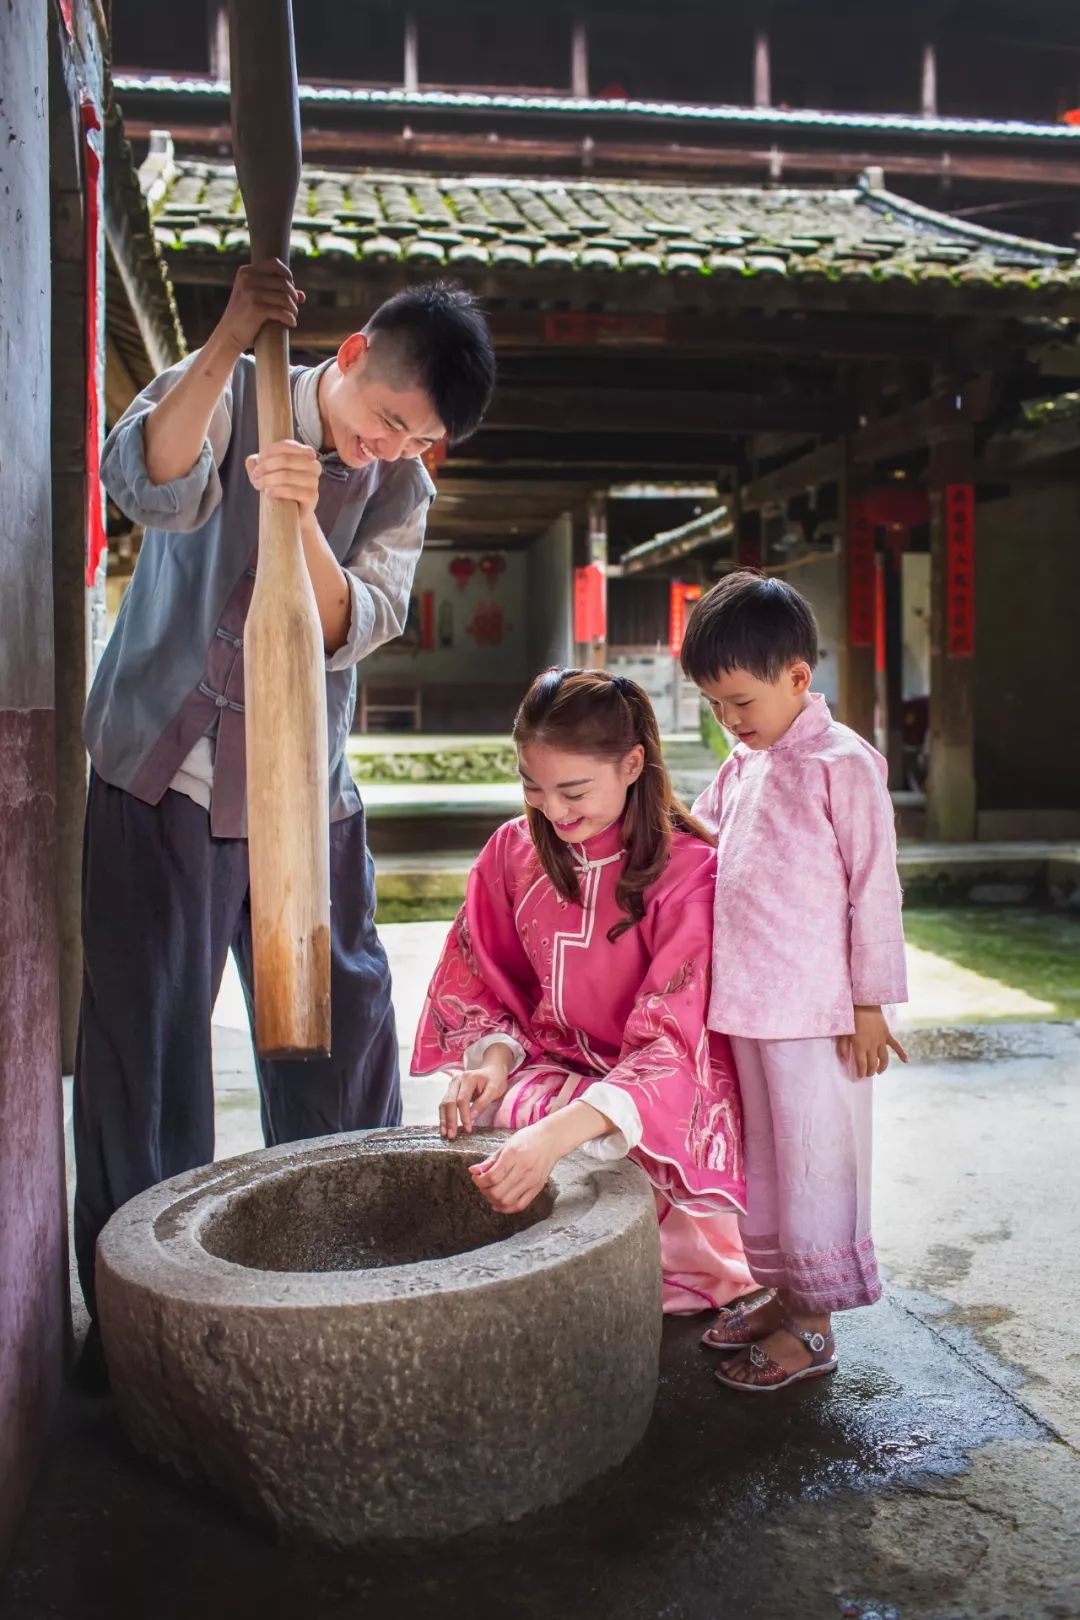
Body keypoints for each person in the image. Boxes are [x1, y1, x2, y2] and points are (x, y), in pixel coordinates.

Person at [73, 260, 495, 1380]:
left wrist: (303, 510)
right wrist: (226, 339)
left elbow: (354, 619)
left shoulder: (397, 488)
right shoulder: (217, 390)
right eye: (387, 420)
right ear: (350, 356)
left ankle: (341, 1276)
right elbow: (145, 481)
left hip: (307, 797)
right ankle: (136, 1331)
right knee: (144, 1055)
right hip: (160, 778)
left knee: (343, 1036)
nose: (392, 447)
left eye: (417, 439)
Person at [412, 668, 754, 1314]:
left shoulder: (689, 874)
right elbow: (484, 981)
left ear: (632, 764)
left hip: (645, 1102)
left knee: (613, 1199)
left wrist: (555, 1135)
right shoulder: (511, 855)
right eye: (532, 787)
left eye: (573, 791)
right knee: (486, 1126)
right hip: (549, 1074)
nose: (553, 810)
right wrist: (490, 1063)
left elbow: (676, 1047)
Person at [680, 571, 908, 1392]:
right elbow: (706, 843)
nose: (729, 721)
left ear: (797, 679)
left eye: (739, 701)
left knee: (814, 1163)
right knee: (766, 1166)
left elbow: (874, 888)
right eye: (715, 706)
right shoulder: (746, 764)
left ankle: (813, 1330)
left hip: (818, 1016)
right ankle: (781, 1294)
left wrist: (870, 1003)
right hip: (748, 1006)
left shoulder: (842, 764)